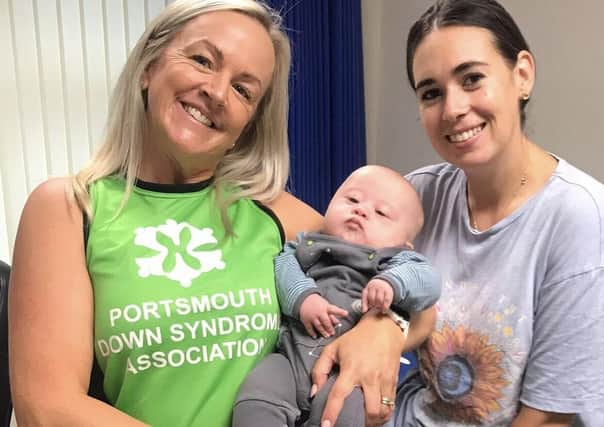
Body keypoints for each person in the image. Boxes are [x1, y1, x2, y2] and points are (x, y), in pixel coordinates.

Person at [7, 1, 413, 426]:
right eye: (202, 60)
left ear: (250, 123)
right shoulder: (70, 209)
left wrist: (384, 331)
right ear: (149, 66)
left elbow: (409, 279)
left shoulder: (272, 212)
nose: (217, 93)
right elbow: (47, 408)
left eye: (243, 90)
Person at [363, 0, 604, 426]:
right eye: (431, 92)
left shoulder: (581, 215)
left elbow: (549, 419)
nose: (452, 109)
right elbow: (337, 267)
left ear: (522, 74)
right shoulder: (418, 196)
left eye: (472, 79)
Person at [233, 165, 442, 427]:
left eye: (381, 213)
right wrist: (303, 297)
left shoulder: (397, 260)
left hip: (347, 372)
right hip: (290, 357)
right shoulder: (307, 245)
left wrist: (392, 282)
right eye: (352, 199)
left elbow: (429, 283)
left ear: (403, 243)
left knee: (345, 413)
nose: (361, 210)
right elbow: (283, 265)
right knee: (257, 396)